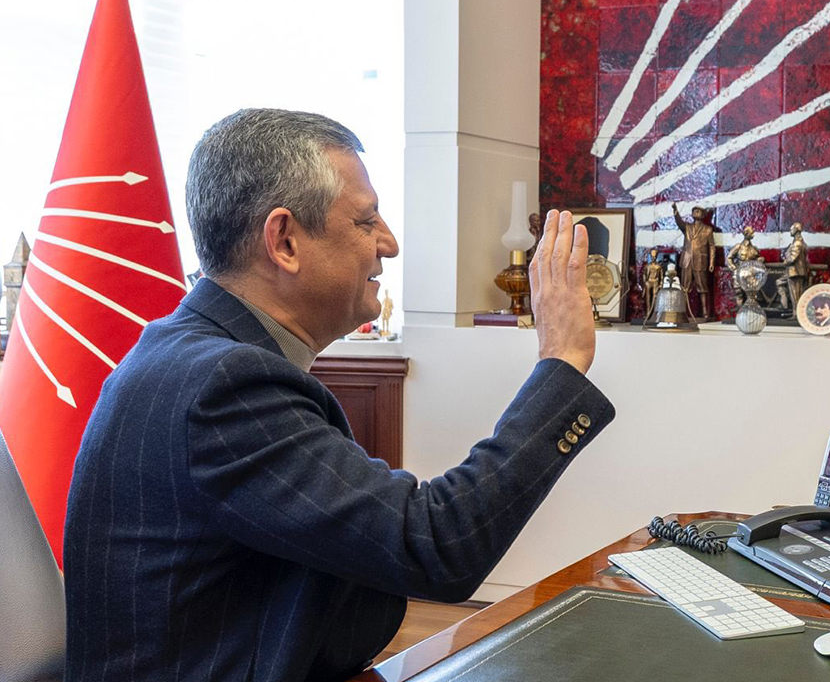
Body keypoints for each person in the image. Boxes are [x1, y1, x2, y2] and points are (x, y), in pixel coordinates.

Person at [62, 109, 615, 682]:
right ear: (284, 241)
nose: (389, 243)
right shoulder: (223, 388)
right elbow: (434, 544)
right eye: (365, 220)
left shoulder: (195, 357)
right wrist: (562, 360)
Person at [672, 203, 715, 320]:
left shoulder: (708, 230)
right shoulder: (687, 227)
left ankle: (705, 313)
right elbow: (679, 222)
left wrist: (711, 262)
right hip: (687, 260)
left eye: (698, 211)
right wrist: (675, 211)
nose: (695, 212)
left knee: (702, 287)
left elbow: (711, 246)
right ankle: (683, 312)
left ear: (703, 215)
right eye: (694, 211)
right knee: (684, 287)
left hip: (700, 261)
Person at [783, 223, 810, 314]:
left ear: (796, 230)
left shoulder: (797, 243)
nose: (790, 231)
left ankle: (796, 313)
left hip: (795, 272)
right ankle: (797, 313)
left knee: (795, 294)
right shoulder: (800, 242)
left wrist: (786, 261)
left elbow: (792, 258)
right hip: (798, 271)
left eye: (791, 229)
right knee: (797, 294)